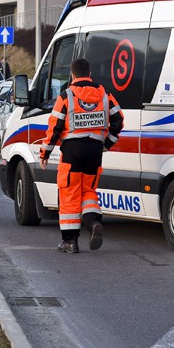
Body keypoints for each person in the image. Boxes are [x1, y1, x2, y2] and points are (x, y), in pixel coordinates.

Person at [39, 58, 124, 254]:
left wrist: (45, 153)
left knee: (69, 193)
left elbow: (55, 127)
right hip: (94, 150)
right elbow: (118, 120)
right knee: (88, 191)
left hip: (72, 150)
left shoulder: (67, 95)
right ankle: (94, 223)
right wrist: (107, 143)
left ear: (73, 75)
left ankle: (70, 242)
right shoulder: (104, 94)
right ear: (90, 74)